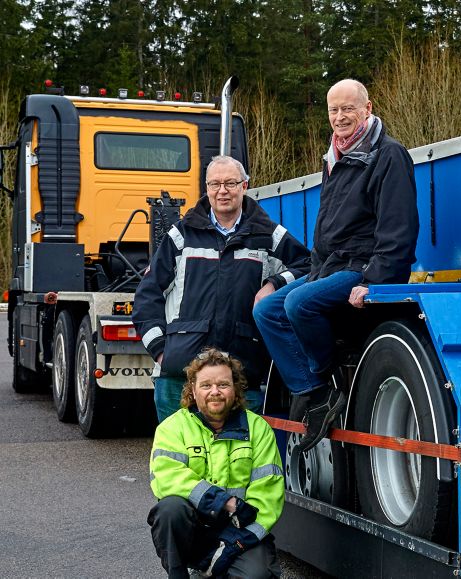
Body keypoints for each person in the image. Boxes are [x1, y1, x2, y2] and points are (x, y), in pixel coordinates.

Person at [253, 79, 418, 453]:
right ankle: (316, 393)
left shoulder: (387, 155)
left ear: (367, 109)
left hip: (363, 266)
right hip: (331, 266)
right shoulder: (335, 157)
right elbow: (328, 230)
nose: (340, 117)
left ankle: (322, 378)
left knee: (299, 304)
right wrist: (314, 270)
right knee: (267, 310)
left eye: (348, 108)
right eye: (334, 110)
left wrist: (374, 281)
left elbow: (399, 228)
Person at [133, 155, 310, 422]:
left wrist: (274, 284)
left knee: (237, 459)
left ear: (245, 186)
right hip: (179, 376)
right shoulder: (181, 236)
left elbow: (308, 266)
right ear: (206, 189)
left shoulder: (267, 235)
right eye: (214, 184)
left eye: (230, 183)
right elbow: (147, 296)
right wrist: (160, 351)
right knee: (179, 459)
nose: (222, 191)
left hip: (241, 373)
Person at [148, 349, 284, 578]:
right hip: (194, 531)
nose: (215, 392)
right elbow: (167, 477)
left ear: (235, 388)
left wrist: (232, 546)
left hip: (239, 531)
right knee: (170, 510)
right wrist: (222, 501)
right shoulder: (172, 428)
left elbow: (268, 497)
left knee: (256, 575)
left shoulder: (258, 429)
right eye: (206, 385)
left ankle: (214, 566)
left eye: (223, 384)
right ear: (193, 389)